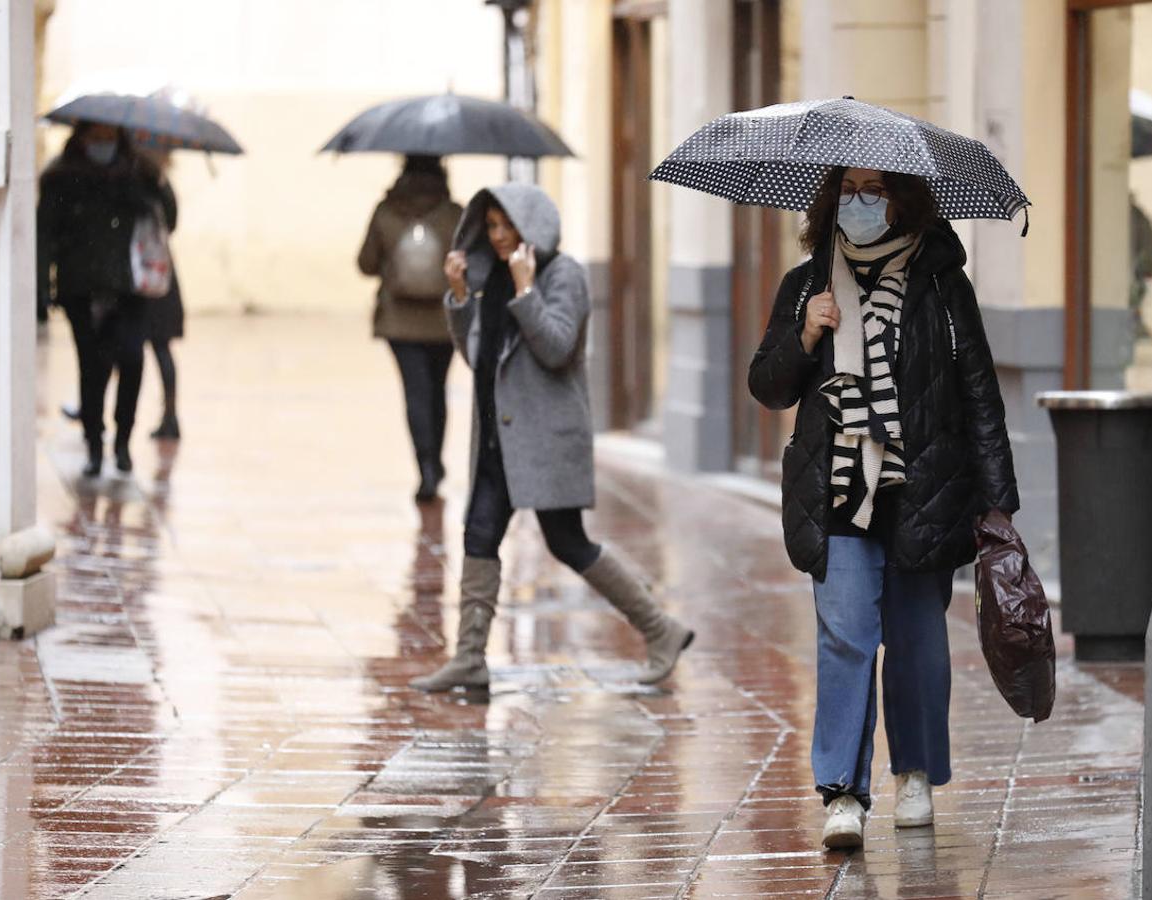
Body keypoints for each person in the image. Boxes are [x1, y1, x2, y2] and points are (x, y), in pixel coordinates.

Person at [748, 167, 1018, 849]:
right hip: (836, 491)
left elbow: (979, 390)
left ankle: (917, 773)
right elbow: (769, 387)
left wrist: (997, 504)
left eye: (875, 190)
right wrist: (804, 336)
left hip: (923, 486)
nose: (860, 202)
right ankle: (842, 792)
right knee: (844, 633)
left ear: (903, 199)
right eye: (849, 189)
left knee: (918, 640)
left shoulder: (941, 284)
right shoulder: (806, 284)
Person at [411, 184, 694, 692]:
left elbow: (558, 347)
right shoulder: (492, 279)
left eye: (507, 226)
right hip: (497, 438)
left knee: (568, 542)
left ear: (531, 226)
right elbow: (478, 359)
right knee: (479, 536)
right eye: (491, 226)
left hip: (545, 439)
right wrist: (459, 299)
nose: (498, 237)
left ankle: (661, 629)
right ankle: (470, 657)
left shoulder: (565, 275)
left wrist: (526, 291)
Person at [38, 122, 170, 476]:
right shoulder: (62, 177)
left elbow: (168, 219)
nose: (102, 145)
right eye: (95, 137)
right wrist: (41, 289)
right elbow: (45, 233)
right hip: (80, 286)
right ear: (81, 138)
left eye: (109, 138)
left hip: (130, 287)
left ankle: (123, 442)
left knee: (131, 360)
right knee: (92, 367)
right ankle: (95, 444)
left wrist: (159, 179)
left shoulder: (140, 172)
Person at [358, 155, 463, 500]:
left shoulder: (386, 212)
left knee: (415, 393)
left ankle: (425, 467)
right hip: (444, 320)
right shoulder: (454, 215)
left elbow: (366, 263)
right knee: (437, 391)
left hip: (398, 321)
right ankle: (436, 458)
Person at [144, 148, 184, 440]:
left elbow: (170, 220)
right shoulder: (158, 179)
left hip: (151, 272)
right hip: (158, 271)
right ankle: (170, 415)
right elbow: (171, 220)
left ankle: (170, 415)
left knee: (156, 348)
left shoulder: (149, 178)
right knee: (159, 349)